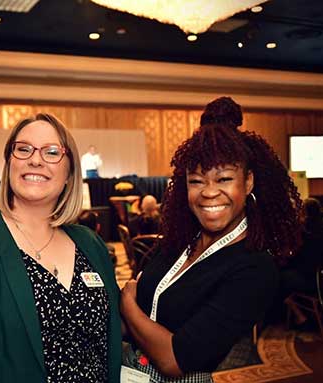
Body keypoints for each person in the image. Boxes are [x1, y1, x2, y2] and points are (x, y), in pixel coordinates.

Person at [0, 113, 121, 383]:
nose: (35, 159)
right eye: (23, 149)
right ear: (9, 164)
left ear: (69, 174)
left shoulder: (90, 243)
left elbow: (111, 339)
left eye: (52, 152)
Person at [120, 97, 301, 381]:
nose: (209, 192)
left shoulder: (254, 268)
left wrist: (127, 304)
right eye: (197, 181)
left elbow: (174, 359)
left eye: (224, 179)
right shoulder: (178, 241)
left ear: (248, 182)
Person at [282, 198, 323, 325]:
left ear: (302, 212)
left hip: (309, 278)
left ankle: (299, 314)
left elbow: (294, 256)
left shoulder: (303, 230)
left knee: (276, 277)